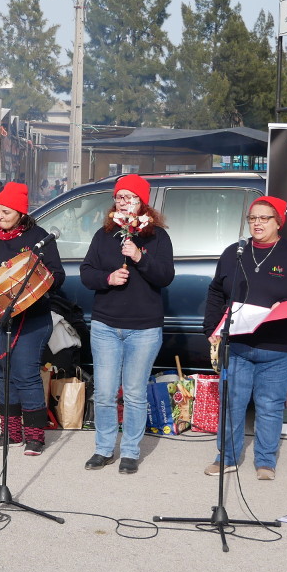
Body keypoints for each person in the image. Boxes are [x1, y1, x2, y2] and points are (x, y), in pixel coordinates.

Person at [202, 196, 287, 480]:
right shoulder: (235, 252)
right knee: (233, 403)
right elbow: (216, 292)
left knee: (269, 405)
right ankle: (227, 457)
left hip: (279, 347)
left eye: (264, 218)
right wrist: (211, 327)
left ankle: (265, 462)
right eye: (252, 218)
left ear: (278, 222)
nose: (257, 223)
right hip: (239, 345)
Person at [80, 175, 174, 474]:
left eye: (129, 196)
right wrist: (107, 279)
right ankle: (104, 448)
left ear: (142, 202)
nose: (122, 201)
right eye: (119, 197)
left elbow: (165, 276)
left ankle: (130, 451)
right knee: (105, 392)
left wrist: (138, 256)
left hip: (144, 328)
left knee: (134, 393)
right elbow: (86, 272)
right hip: (106, 325)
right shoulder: (103, 235)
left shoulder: (157, 237)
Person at [0, 183, 64, 455]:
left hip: (30, 318)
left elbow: (57, 277)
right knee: (3, 375)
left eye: (6, 211)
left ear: (21, 212)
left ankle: (34, 436)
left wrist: (38, 280)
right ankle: (10, 432)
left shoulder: (39, 238)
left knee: (26, 374)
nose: (0, 217)